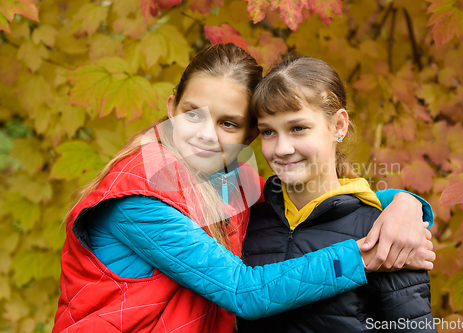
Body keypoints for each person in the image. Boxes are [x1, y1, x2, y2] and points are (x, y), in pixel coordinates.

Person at [53, 44, 434, 333]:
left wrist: (405, 204)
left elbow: (324, 204)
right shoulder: (137, 199)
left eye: (228, 123)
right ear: (171, 108)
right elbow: (243, 291)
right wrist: (362, 257)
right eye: (192, 113)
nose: (204, 134)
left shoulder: (234, 183)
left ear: (250, 134)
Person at [239, 53, 436, 332]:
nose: (281, 148)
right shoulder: (249, 217)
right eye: (268, 132)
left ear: (338, 125)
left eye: (298, 128)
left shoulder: (383, 232)